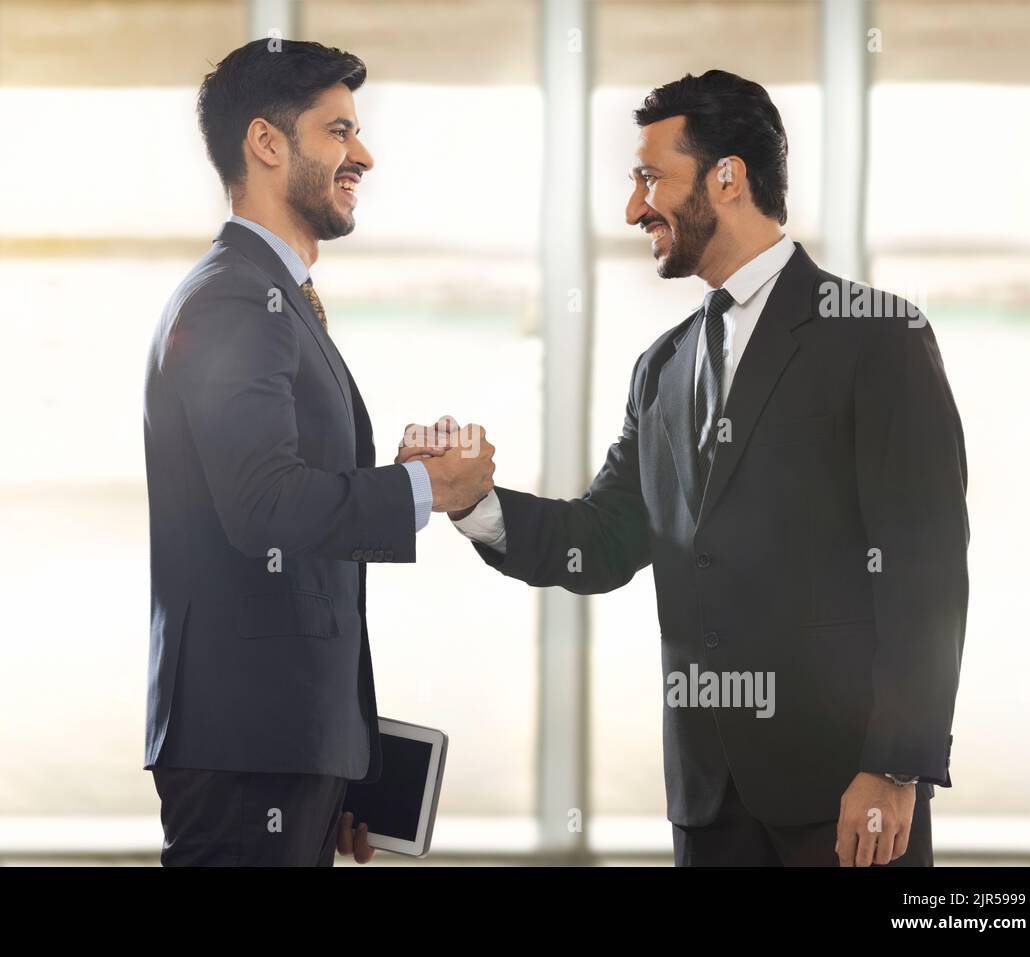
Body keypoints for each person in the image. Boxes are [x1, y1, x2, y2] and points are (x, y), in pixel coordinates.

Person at [401, 70, 968, 867]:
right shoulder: (661, 368)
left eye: (649, 177)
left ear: (727, 176)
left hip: (846, 794)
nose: (635, 207)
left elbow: (927, 570)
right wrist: (477, 502)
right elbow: (602, 539)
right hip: (708, 803)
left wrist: (895, 764)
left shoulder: (877, 336)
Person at [143, 38, 494, 866]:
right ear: (267, 143)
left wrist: (341, 762)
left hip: (283, 749)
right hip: (246, 749)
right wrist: (423, 488)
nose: (362, 154)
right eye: (339, 131)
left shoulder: (273, 299)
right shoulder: (235, 298)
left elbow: (290, 510)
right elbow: (262, 506)